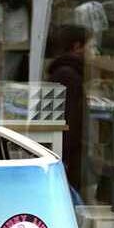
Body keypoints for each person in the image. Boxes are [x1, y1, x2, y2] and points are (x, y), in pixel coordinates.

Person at [46, 24, 89, 192]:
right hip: (68, 156)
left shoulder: (66, 73)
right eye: (91, 46)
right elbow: (67, 119)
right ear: (77, 47)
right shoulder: (68, 75)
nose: (93, 53)